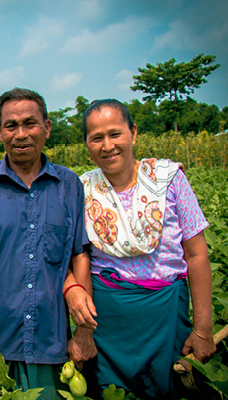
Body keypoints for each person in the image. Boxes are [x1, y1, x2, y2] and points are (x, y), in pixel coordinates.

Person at [0, 88, 96, 398]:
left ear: (47, 127)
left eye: (30, 123)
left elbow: (78, 256)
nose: (21, 134)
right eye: (11, 125)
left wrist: (83, 333)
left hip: (51, 342)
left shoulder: (69, 186)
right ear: (0, 131)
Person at [79, 99, 216, 399]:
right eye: (96, 138)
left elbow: (196, 255)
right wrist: (82, 331)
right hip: (108, 318)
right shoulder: (84, 191)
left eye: (115, 134)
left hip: (165, 312)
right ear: (86, 144)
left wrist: (204, 329)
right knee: (111, 391)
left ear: (133, 133)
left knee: (170, 388)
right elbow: (78, 261)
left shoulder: (168, 179)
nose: (107, 145)